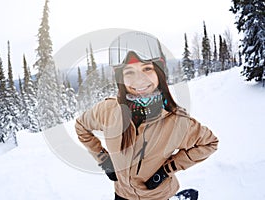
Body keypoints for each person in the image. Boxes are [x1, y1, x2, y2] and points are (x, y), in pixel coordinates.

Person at [75, 31, 219, 200]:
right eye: (129, 72)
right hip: (122, 194)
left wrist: (167, 170)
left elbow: (209, 143)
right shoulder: (108, 110)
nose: (139, 79)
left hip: (158, 196)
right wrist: (104, 160)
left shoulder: (177, 122)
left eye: (147, 69)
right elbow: (81, 126)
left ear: (159, 72)